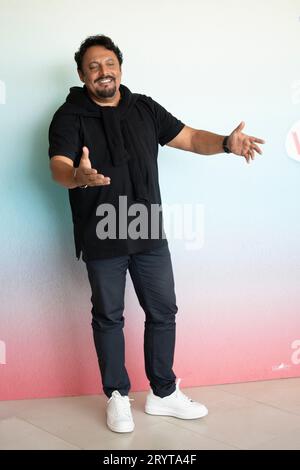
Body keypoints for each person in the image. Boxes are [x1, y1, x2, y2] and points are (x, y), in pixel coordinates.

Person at [48, 35, 265, 434]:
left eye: (109, 63)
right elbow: (59, 167)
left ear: (120, 68)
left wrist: (226, 144)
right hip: (101, 233)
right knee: (109, 317)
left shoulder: (143, 108)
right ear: (82, 75)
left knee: (163, 312)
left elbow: (190, 137)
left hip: (147, 230)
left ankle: (163, 393)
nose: (103, 71)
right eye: (93, 66)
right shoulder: (68, 116)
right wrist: (77, 176)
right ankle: (116, 395)